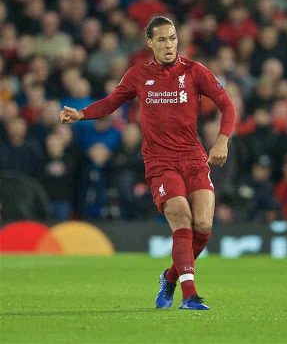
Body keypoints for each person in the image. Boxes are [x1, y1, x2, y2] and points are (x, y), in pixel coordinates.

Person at [60, 16, 236, 311]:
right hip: (160, 162)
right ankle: (189, 296)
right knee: (182, 217)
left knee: (203, 224)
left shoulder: (195, 72)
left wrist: (222, 140)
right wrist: (81, 114)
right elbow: (112, 101)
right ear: (150, 43)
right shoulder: (139, 74)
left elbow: (227, 105)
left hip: (193, 158)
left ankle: (169, 278)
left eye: (173, 38)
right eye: (162, 40)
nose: (169, 45)